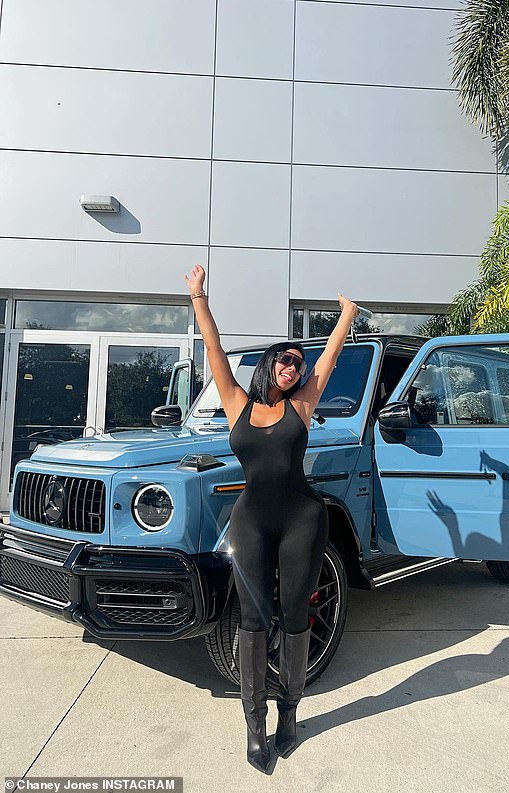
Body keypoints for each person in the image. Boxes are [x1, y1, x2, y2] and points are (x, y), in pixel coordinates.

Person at [184, 264, 359, 773]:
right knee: (254, 621)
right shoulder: (237, 402)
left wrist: (345, 316)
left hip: (302, 520)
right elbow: (214, 350)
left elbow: (328, 358)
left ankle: (289, 714)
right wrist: (198, 297)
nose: (294, 366)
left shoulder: (301, 406)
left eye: (297, 363)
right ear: (268, 364)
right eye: (285, 359)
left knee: (295, 618)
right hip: (251, 523)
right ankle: (254, 726)